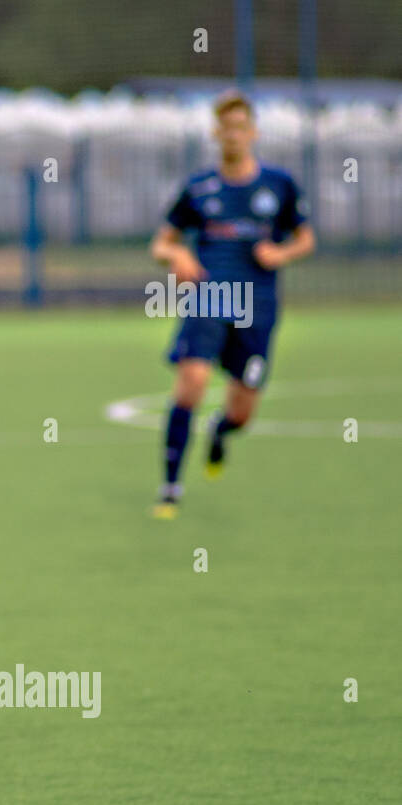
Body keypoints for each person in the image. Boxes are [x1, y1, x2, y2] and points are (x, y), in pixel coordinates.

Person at [149, 89, 315, 518]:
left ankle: (220, 431)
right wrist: (179, 254)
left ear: (253, 132)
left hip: (258, 306)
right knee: (192, 384)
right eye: (226, 127)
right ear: (215, 133)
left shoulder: (278, 186)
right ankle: (170, 488)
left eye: (241, 127)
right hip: (208, 298)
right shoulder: (199, 188)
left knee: (242, 413)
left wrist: (281, 254)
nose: (234, 135)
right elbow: (161, 243)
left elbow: (306, 237)